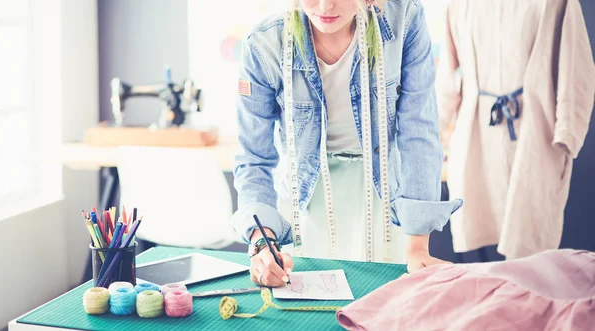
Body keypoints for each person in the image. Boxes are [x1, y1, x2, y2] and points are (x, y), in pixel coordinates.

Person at [232, 0, 463, 288]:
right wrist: (261, 243)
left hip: (382, 196)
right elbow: (254, 157)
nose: (326, 6)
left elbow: (419, 129)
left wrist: (418, 246)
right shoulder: (263, 45)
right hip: (305, 202)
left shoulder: (405, 20)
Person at [437, 0, 595, 260]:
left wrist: (568, 131)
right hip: (478, 132)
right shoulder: (459, 5)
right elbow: (446, 74)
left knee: (529, 237)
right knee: (479, 219)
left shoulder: (556, 3)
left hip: (536, 132)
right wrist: (437, 130)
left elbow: (577, 68)